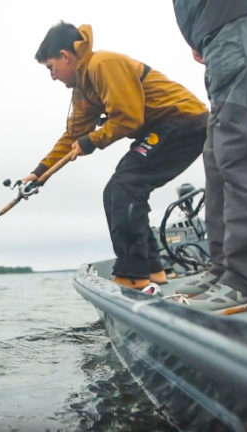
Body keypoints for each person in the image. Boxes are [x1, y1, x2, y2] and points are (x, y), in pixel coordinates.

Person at [23, 22, 208, 293]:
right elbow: (72, 136)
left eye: (51, 67)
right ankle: (152, 271)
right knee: (122, 188)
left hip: (182, 120)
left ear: (65, 56)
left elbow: (129, 117)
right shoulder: (83, 92)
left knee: (124, 187)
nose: (52, 76)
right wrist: (39, 173)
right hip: (164, 127)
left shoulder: (102, 64)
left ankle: (133, 276)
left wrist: (91, 142)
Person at [170, 0, 247, 313]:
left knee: (242, 142)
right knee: (218, 152)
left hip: (234, 13)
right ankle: (226, 267)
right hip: (214, 26)